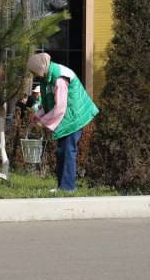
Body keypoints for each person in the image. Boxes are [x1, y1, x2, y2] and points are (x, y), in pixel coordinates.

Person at [24, 52, 99, 193]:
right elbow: (48, 102)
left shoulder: (60, 78)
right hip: (66, 116)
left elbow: (60, 107)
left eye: (34, 72)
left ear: (40, 69)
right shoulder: (46, 78)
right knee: (61, 151)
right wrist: (38, 116)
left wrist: (43, 122)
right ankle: (62, 186)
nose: (34, 75)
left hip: (75, 116)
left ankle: (68, 188)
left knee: (67, 151)